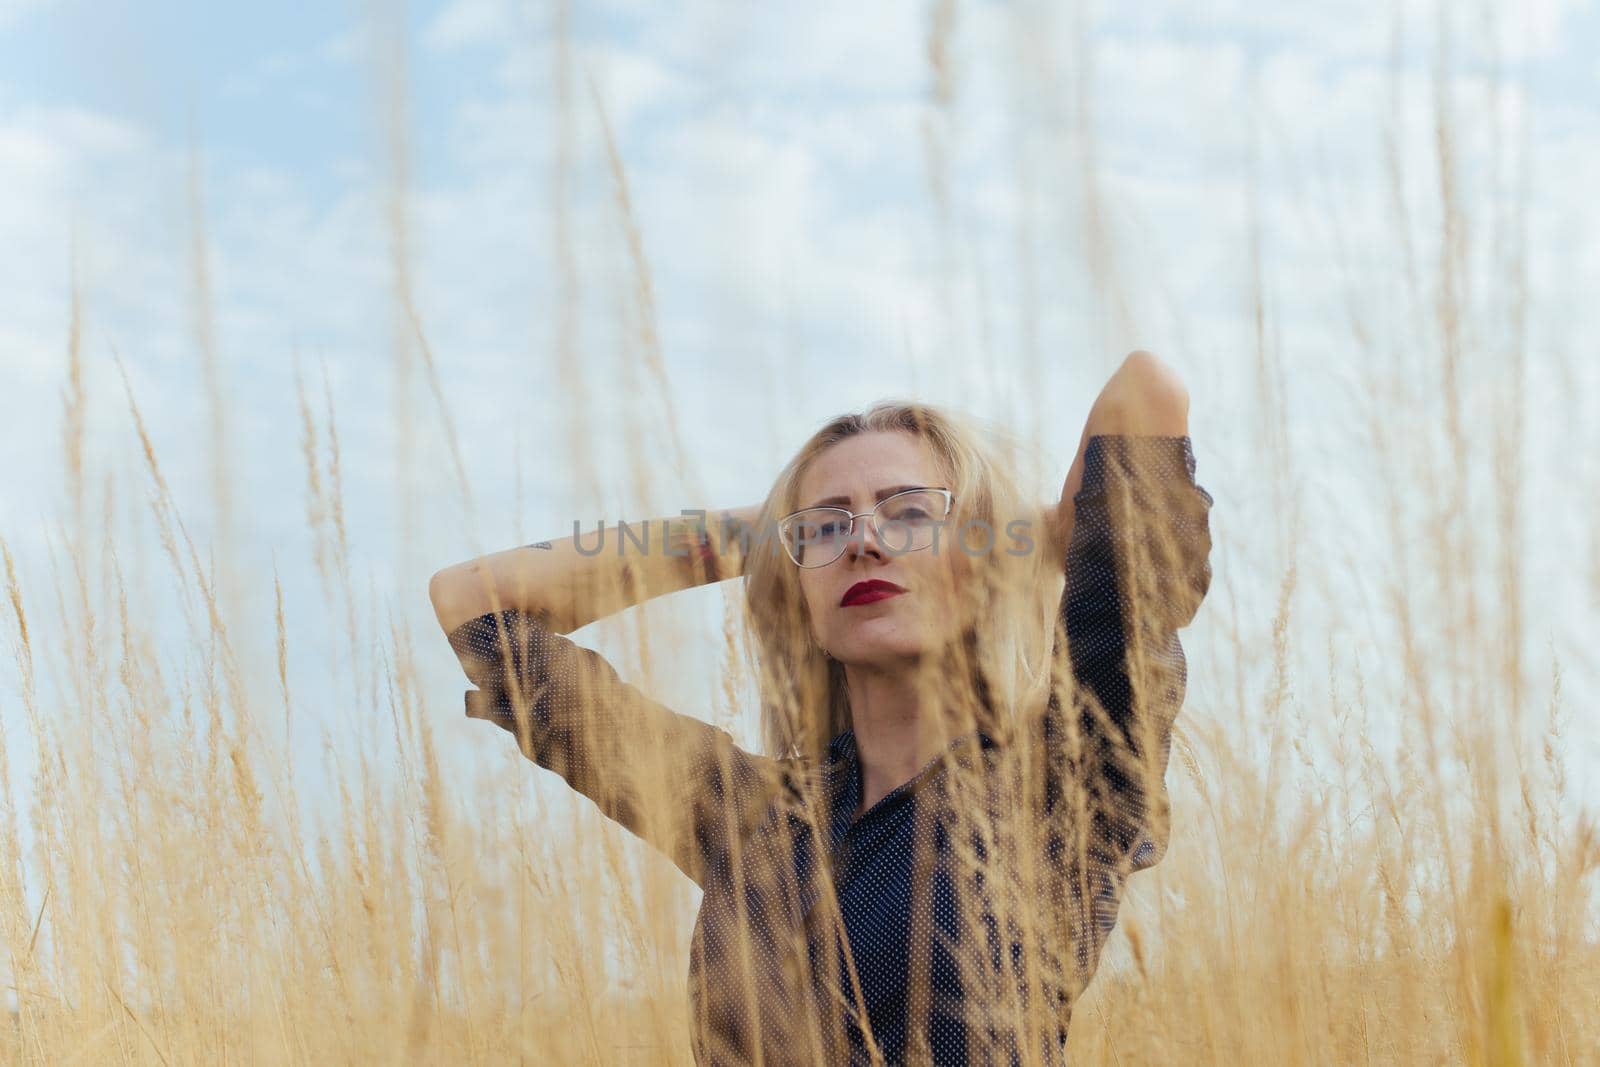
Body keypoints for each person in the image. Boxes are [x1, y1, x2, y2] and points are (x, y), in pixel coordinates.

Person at [428, 350, 1214, 1065]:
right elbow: (472, 601)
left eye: (910, 512)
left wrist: (1023, 532)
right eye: (829, 525)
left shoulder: (1065, 775)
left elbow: (1145, 391)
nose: (864, 541)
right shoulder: (747, 817)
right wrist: (765, 534)